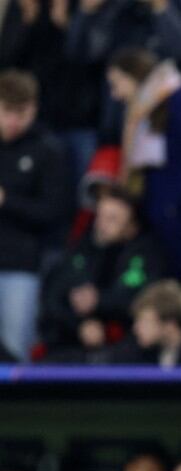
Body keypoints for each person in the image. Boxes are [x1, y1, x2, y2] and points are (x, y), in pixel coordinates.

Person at [106, 47, 181, 276]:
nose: (115, 94)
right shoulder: (142, 109)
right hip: (159, 207)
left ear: (134, 76)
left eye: (117, 83)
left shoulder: (180, 99)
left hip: (180, 209)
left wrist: (173, 203)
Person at [39, 187, 166, 359]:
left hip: (128, 346)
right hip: (72, 342)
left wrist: (100, 300)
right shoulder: (82, 248)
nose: (101, 224)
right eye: (100, 216)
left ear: (132, 227)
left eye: (112, 219)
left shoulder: (146, 253)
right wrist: (79, 326)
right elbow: (54, 295)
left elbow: (141, 298)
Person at [0, 69, 70, 363]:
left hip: (20, 266)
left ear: (34, 109)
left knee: (16, 350)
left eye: (23, 113)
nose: (14, 122)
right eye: (7, 112)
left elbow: (53, 212)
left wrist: (6, 201)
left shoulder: (48, 150)